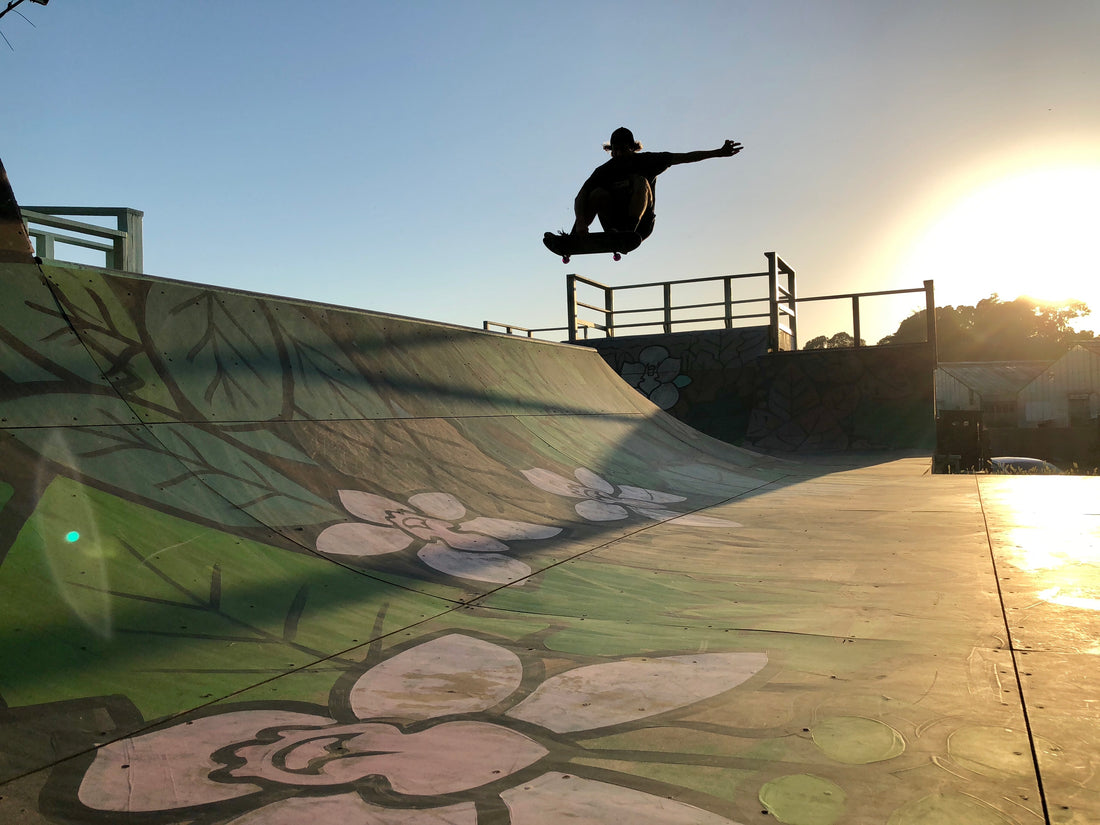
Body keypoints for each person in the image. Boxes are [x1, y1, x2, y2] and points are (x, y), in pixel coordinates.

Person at [568, 127, 743, 240]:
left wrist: (718, 153)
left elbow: (686, 157)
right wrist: (581, 221)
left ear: (633, 148)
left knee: (640, 181)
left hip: (641, 225)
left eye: (623, 150)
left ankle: (628, 230)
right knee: (596, 193)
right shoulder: (604, 170)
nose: (619, 155)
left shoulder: (649, 161)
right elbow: (581, 196)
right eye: (615, 151)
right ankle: (574, 237)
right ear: (611, 150)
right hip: (613, 225)